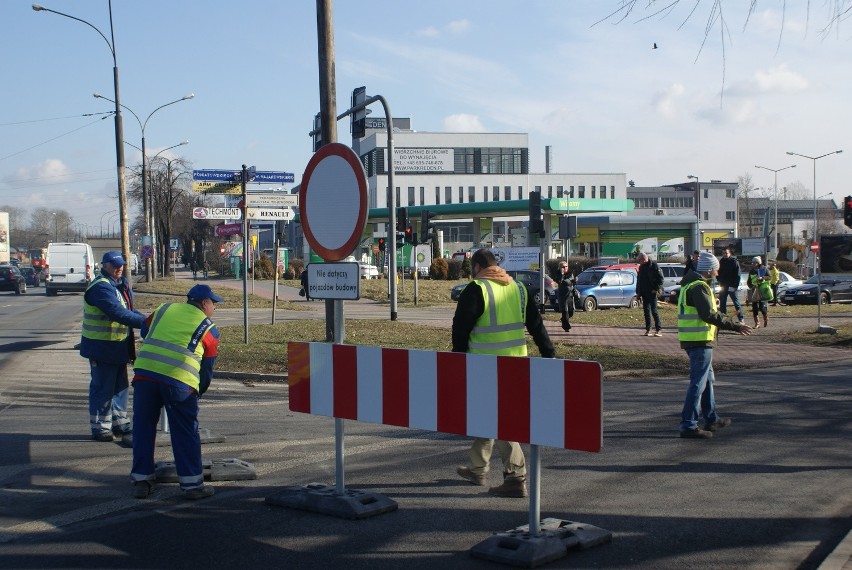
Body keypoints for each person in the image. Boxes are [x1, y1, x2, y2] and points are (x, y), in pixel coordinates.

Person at [452, 249, 555, 498]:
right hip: (517, 365)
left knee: (500, 420)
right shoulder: (518, 288)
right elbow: (536, 325)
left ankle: (515, 476)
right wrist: (549, 354)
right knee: (487, 416)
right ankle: (478, 468)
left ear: (477, 267)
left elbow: (460, 329)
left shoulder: (476, 289)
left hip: (485, 367)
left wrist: (457, 361)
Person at [130, 284, 222, 500]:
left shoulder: (164, 310)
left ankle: (142, 481)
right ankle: (192, 485)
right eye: (213, 304)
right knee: (185, 432)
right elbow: (207, 369)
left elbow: (145, 330)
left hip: (145, 376)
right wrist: (199, 390)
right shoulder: (209, 329)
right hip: (179, 383)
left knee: (143, 428)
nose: (214, 308)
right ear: (204, 304)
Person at [677, 252, 751, 439]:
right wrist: (736, 326)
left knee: (707, 381)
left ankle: (711, 419)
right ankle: (688, 425)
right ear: (709, 271)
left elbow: (705, 311)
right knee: (698, 383)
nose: (718, 274)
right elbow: (709, 315)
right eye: (716, 270)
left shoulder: (692, 284)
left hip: (696, 340)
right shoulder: (699, 287)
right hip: (700, 341)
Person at [80, 251, 147, 442]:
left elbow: (129, 311)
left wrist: (149, 319)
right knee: (103, 388)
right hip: (101, 348)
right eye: (114, 265)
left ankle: (120, 423)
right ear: (104, 266)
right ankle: (101, 427)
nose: (119, 268)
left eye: (121, 265)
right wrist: (147, 323)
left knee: (120, 388)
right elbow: (118, 313)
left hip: (117, 347)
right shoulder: (100, 288)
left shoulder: (118, 285)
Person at [636, 252, 664, 336]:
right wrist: (638, 292)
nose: (639, 262)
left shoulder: (654, 266)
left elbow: (661, 279)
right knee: (646, 312)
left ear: (644, 259)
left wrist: (656, 289)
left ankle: (658, 329)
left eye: (639, 260)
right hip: (644, 293)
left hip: (652, 293)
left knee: (654, 311)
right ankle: (648, 329)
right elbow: (639, 281)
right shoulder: (641, 267)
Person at [717, 247, 744, 322]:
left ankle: (741, 319)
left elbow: (738, 275)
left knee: (736, 303)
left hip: (732, 286)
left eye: (726, 253)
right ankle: (724, 320)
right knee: (722, 303)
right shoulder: (721, 261)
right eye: (723, 253)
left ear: (730, 253)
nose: (725, 254)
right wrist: (719, 280)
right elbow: (717, 273)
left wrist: (735, 286)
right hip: (723, 286)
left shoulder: (734, 262)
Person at [747, 256, 770, 328]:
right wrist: (751, 286)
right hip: (754, 290)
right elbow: (749, 281)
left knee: (762, 307)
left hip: (762, 290)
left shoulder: (763, 269)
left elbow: (769, 277)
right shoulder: (751, 271)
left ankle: (765, 317)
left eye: (755, 262)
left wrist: (763, 278)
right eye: (753, 262)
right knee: (754, 307)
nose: (753, 264)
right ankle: (757, 323)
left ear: (758, 263)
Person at [556, 261, 579, 332]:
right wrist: (562, 274)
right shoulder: (558, 274)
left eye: (566, 266)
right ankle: (566, 327)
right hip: (563, 296)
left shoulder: (570, 273)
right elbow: (559, 281)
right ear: (560, 268)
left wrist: (575, 280)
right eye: (563, 267)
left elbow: (572, 283)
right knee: (565, 312)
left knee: (571, 311)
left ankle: (563, 319)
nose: (565, 268)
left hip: (570, 294)